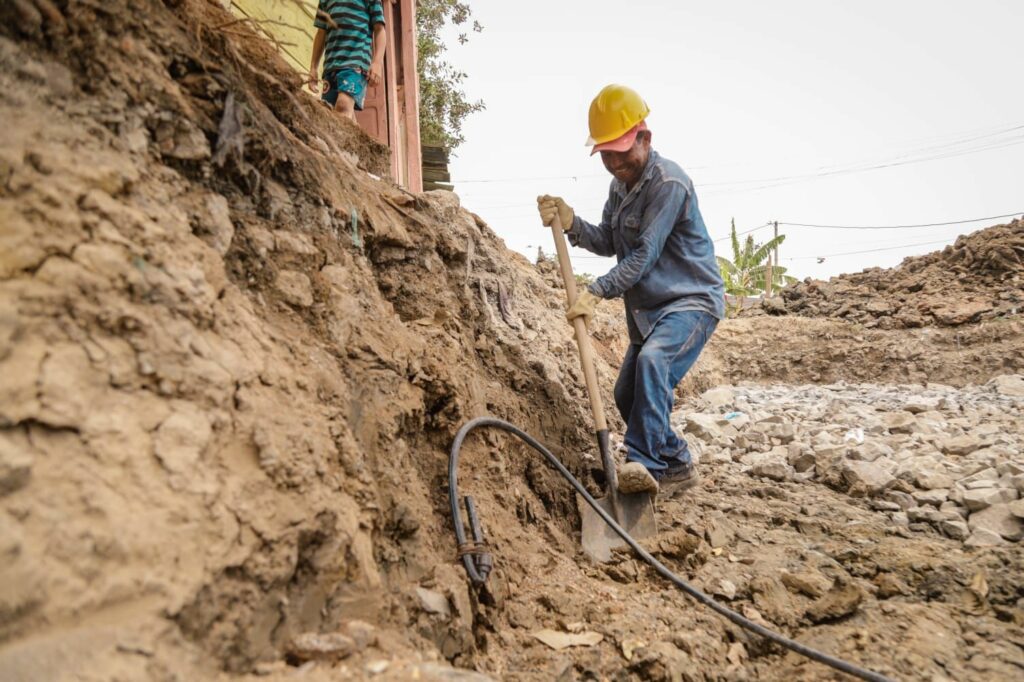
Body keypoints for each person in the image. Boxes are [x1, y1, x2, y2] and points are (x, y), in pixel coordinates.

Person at [537, 84, 725, 497]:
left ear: (646, 138)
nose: (616, 162)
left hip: (690, 301)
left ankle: (642, 464)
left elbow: (644, 256)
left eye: (623, 150)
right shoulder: (619, 187)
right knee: (627, 395)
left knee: (654, 362)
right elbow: (609, 241)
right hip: (648, 312)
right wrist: (572, 224)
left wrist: (596, 291)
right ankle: (676, 464)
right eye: (607, 153)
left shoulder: (668, 183)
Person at [308, 1, 387, 120]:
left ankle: (336, 139)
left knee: (343, 105)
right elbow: (321, 33)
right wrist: (313, 68)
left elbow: (380, 30)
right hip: (331, 65)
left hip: (356, 62)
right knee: (332, 111)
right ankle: (360, 139)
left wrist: (377, 62)